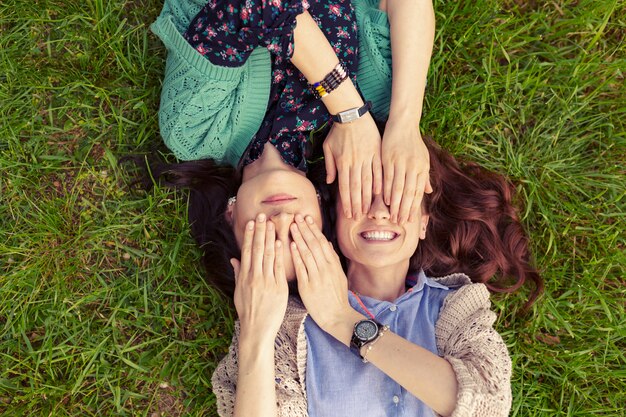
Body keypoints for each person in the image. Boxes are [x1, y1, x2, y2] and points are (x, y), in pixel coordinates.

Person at [148, 135, 542, 416]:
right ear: (332, 220)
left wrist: (343, 320)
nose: (380, 209)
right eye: (360, 195)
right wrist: (255, 332)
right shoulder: (287, 327)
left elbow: (487, 404)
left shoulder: (454, 308)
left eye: (397, 197)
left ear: (424, 221)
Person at [151, 0, 435, 224]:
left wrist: (350, 111)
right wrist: (405, 123)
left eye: (265, 242)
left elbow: (252, 7)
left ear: (230, 217)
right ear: (323, 213)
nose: (284, 220)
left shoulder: (193, 130)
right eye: (301, 236)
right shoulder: (374, 105)